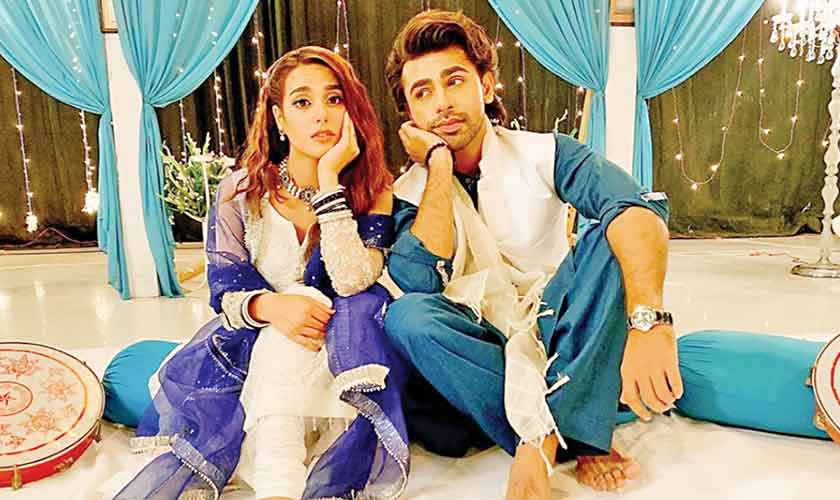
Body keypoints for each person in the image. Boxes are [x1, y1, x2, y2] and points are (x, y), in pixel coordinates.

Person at [380, 10, 680, 499]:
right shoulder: (409, 192)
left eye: (454, 81)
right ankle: (572, 424)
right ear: (411, 115)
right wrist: (437, 166)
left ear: (486, 85)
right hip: (479, 347)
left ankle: (540, 439)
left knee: (615, 231)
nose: (442, 103)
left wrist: (649, 323)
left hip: (558, 326)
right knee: (408, 317)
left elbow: (634, 207)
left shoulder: (546, 152)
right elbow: (418, 283)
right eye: (423, 92)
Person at [114, 46, 409, 500]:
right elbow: (224, 291)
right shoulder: (241, 190)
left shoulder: (372, 189)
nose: (321, 114)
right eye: (303, 102)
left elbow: (352, 279)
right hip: (257, 349)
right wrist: (271, 307)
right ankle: (278, 482)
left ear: (351, 110)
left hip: (345, 352)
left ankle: (278, 485)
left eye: (334, 99)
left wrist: (330, 183)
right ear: (279, 117)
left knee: (317, 305)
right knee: (284, 329)